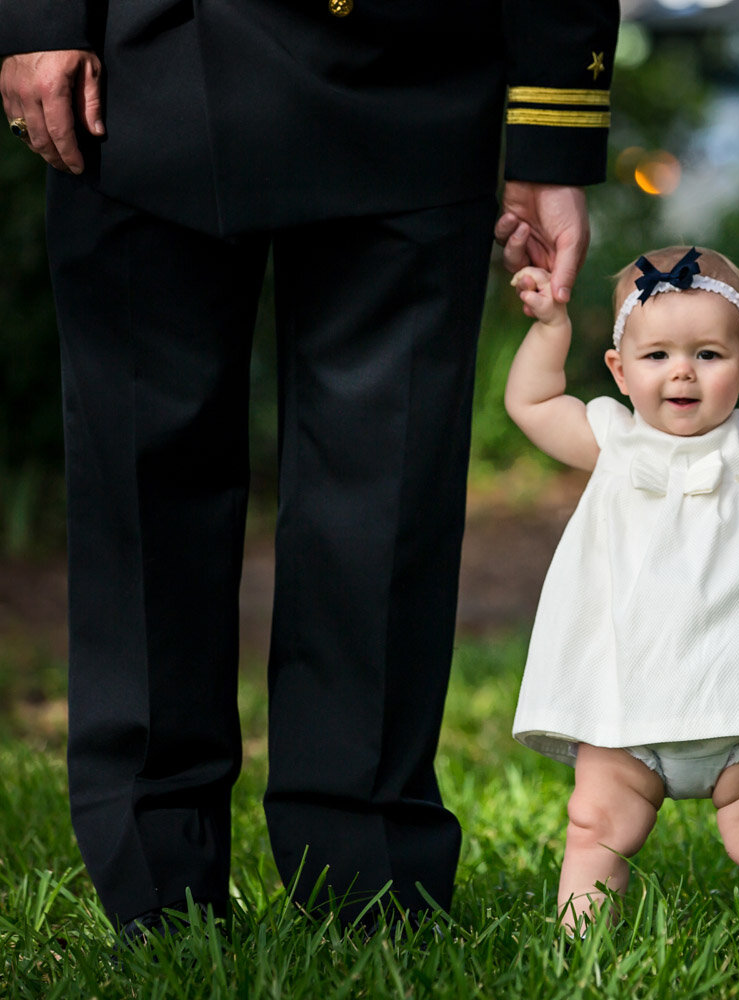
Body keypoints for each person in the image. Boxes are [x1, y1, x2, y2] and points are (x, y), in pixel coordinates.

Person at [0, 1, 618, 936]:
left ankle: (367, 880)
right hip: (141, 61)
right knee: (141, 479)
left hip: (413, 75)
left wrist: (552, 129)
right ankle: (153, 885)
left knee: (385, 490)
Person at [503, 246, 739, 935]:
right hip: (623, 695)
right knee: (594, 823)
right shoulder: (613, 440)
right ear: (619, 371)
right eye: (657, 356)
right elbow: (530, 402)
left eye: (708, 354)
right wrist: (550, 328)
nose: (682, 370)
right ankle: (580, 948)